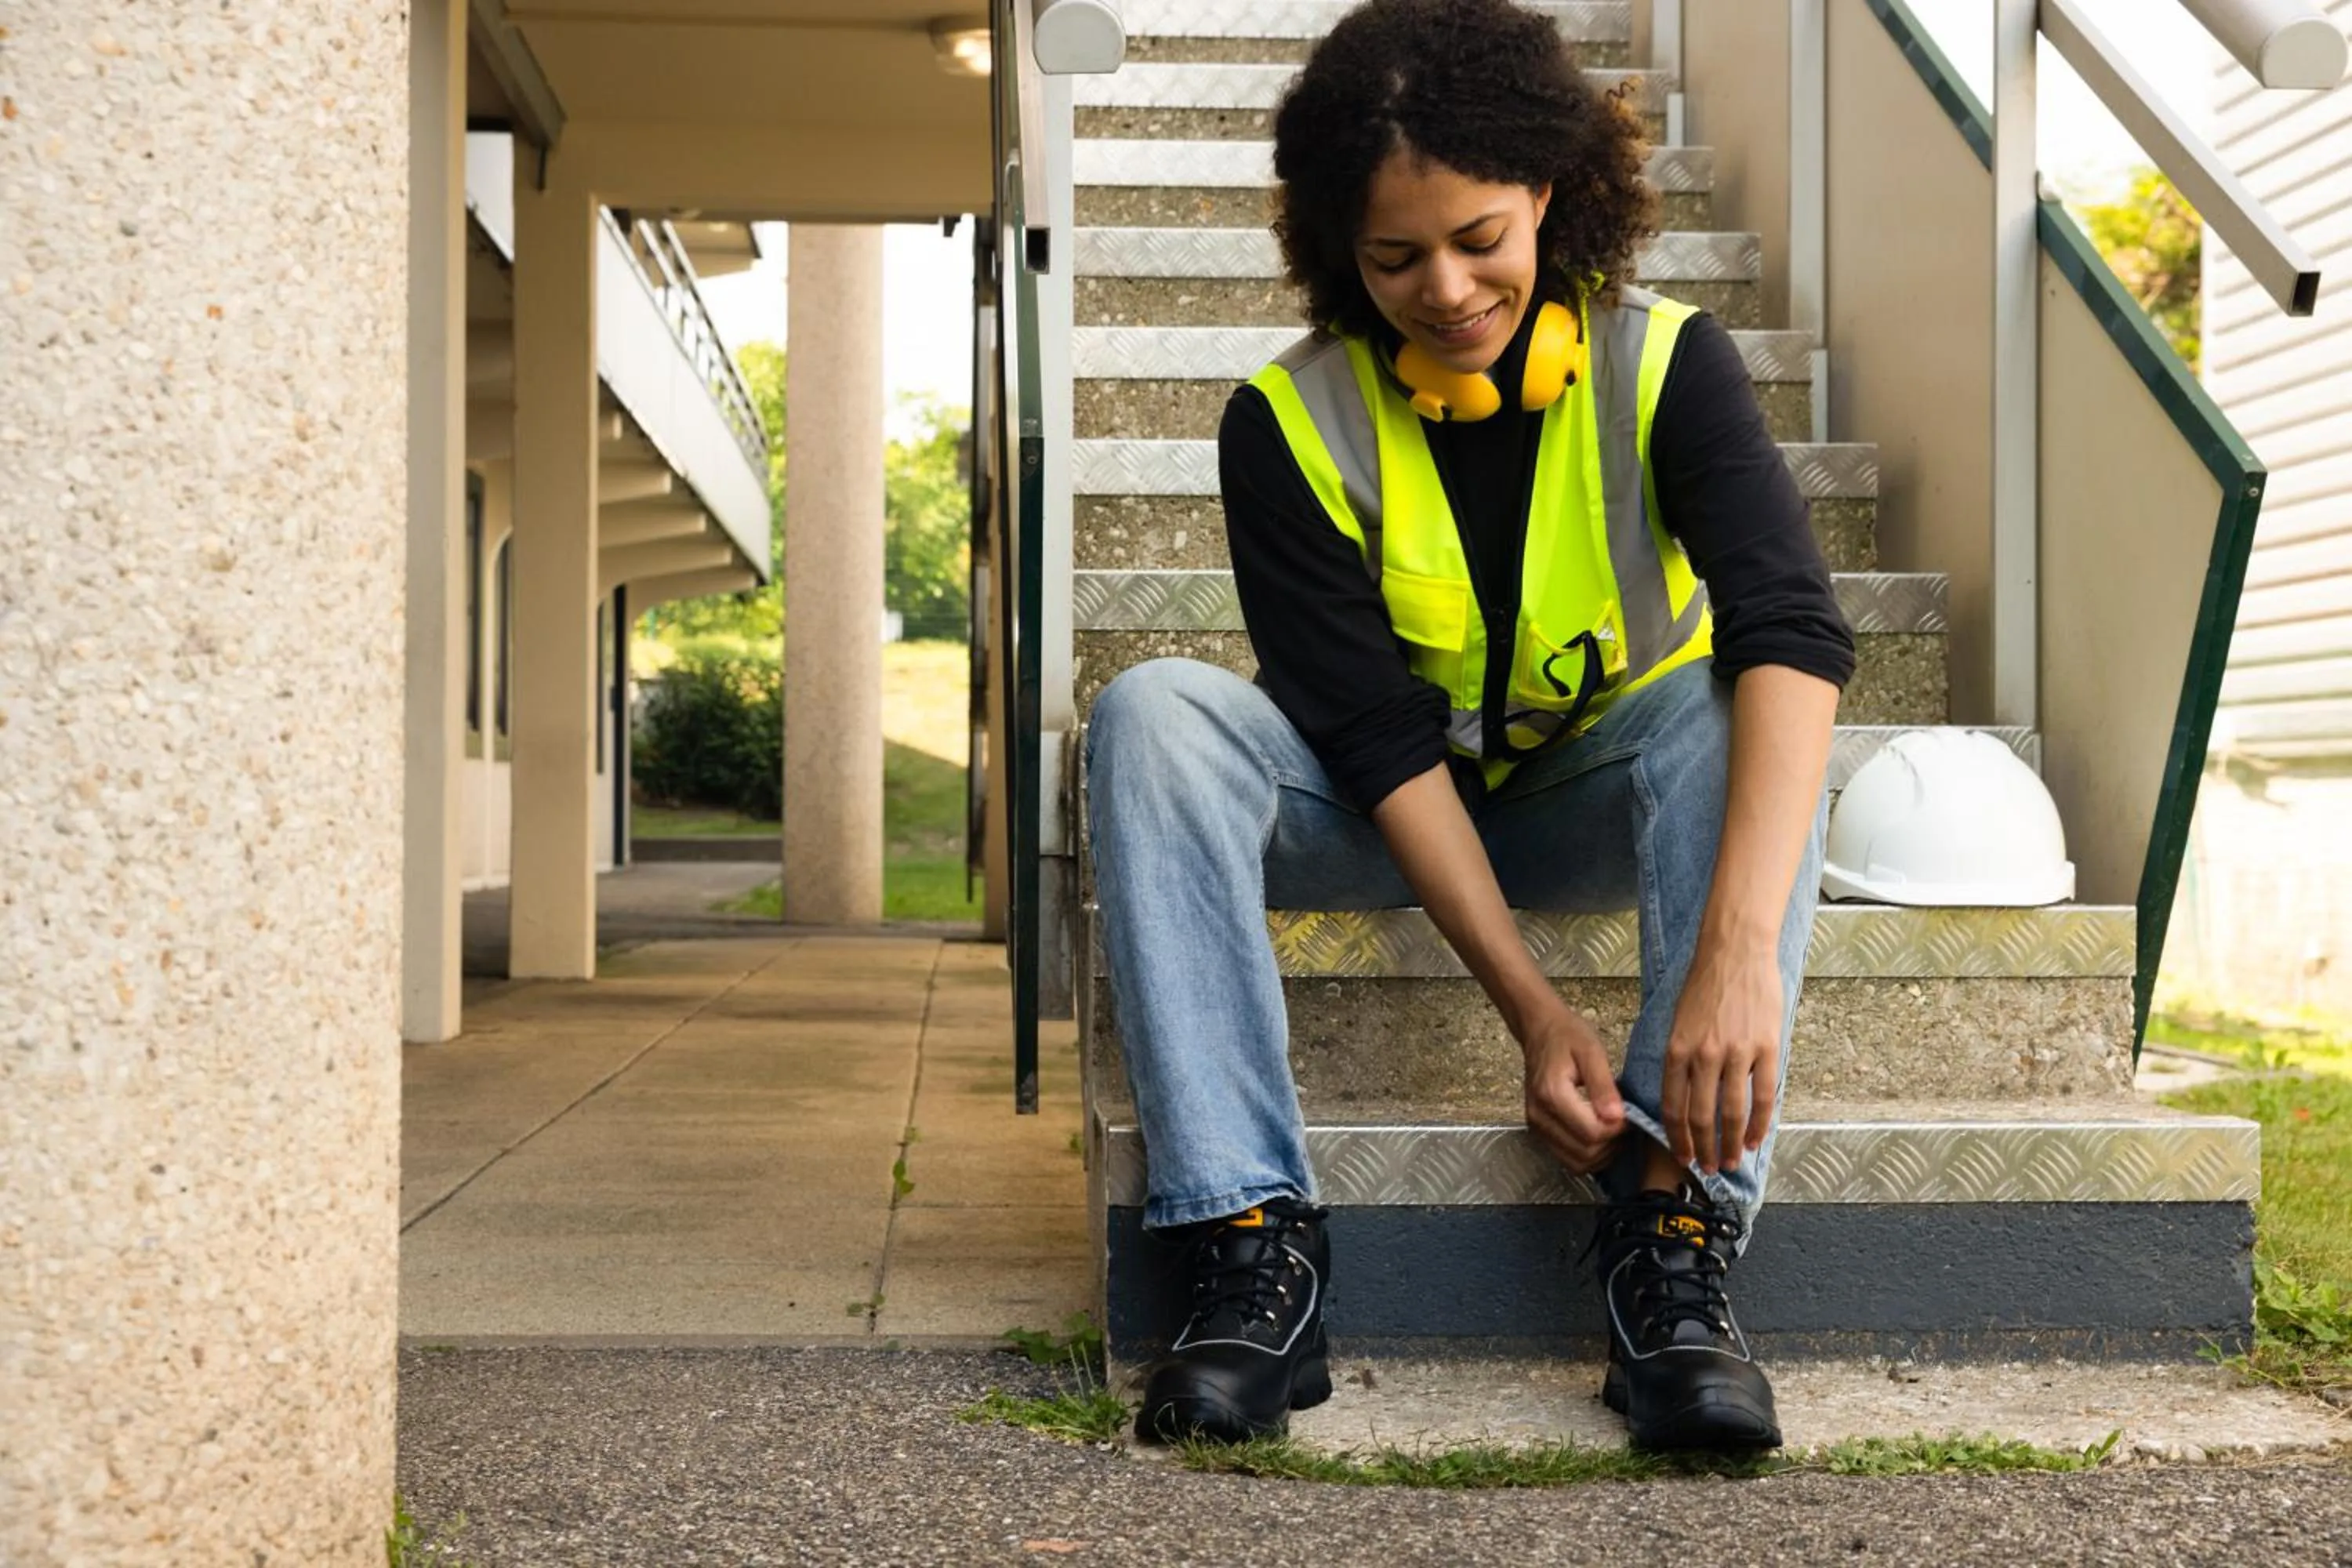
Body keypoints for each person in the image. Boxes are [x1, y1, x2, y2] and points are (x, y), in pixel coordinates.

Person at [1084, 0, 1854, 1453]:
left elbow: (1796, 630)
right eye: (1394, 257)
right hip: (1377, 822)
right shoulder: (1285, 423)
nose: (1444, 289)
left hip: (1589, 799)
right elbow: (1371, 736)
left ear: (1551, 197)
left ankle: (1671, 1234)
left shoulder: (1665, 364)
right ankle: (1250, 1243)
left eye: (1479, 238)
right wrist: (1532, 1006)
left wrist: (1736, 957)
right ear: (1337, 250)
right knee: (1154, 713)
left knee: (1722, 699)